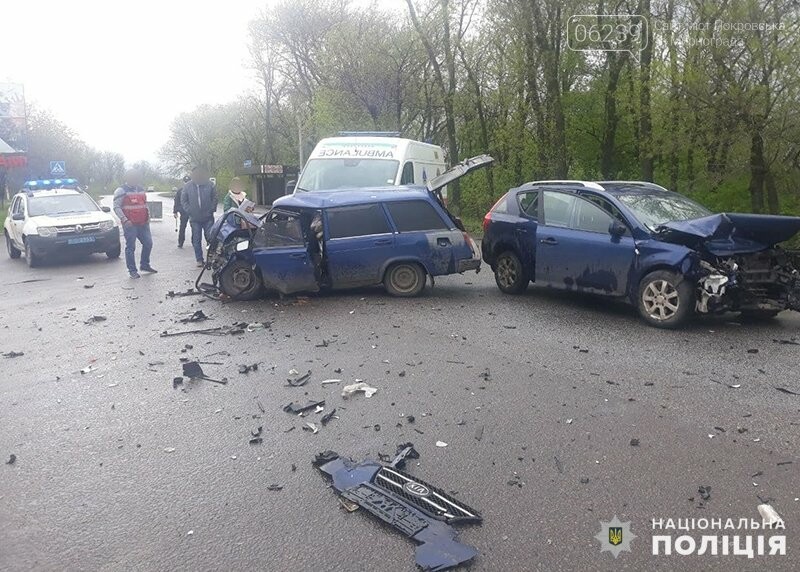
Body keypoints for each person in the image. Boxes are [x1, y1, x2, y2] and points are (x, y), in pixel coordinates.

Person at [113, 169, 157, 278]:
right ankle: (132, 270)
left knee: (148, 243)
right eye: (132, 177)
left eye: (136, 177)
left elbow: (145, 204)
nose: (135, 179)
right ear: (127, 178)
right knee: (131, 247)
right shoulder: (121, 190)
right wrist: (124, 219)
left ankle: (145, 264)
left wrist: (148, 216)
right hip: (130, 224)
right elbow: (116, 207)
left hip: (143, 223)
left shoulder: (141, 189)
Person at [181, 165, 218, 267]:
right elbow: (183, 200)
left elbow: (215, 198)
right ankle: (199, 260)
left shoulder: (210, 185)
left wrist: (211, 210)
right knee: (196, 240)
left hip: (208, 217)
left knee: (211, 238)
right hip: (194, 218)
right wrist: (190, 211)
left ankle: (210, 259)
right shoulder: (187, 186)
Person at [173, 175, 190, 248]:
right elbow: (176, 200)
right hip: (184, 212)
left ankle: (194, 241)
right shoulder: (180, 191)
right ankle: (181, 242)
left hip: (193, 212)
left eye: (187, 182)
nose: (186, 183)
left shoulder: (194, 190)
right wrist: (175, 211)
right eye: (185, 182)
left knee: (195, 228)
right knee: (182, 227)